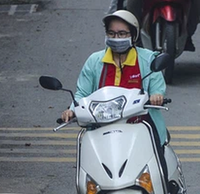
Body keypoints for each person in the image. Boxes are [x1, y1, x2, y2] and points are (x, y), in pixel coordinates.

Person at [61, 10, 169, 180]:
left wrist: (156, 95)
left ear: (133, 36)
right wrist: (72, 109)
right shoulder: (95, 61)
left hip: (140, 126)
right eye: (111, 33)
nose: (116, 38)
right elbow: (82, 93)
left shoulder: (148, 60)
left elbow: (157, 87)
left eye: (122, 34)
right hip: (102, 127)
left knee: (159, 171)